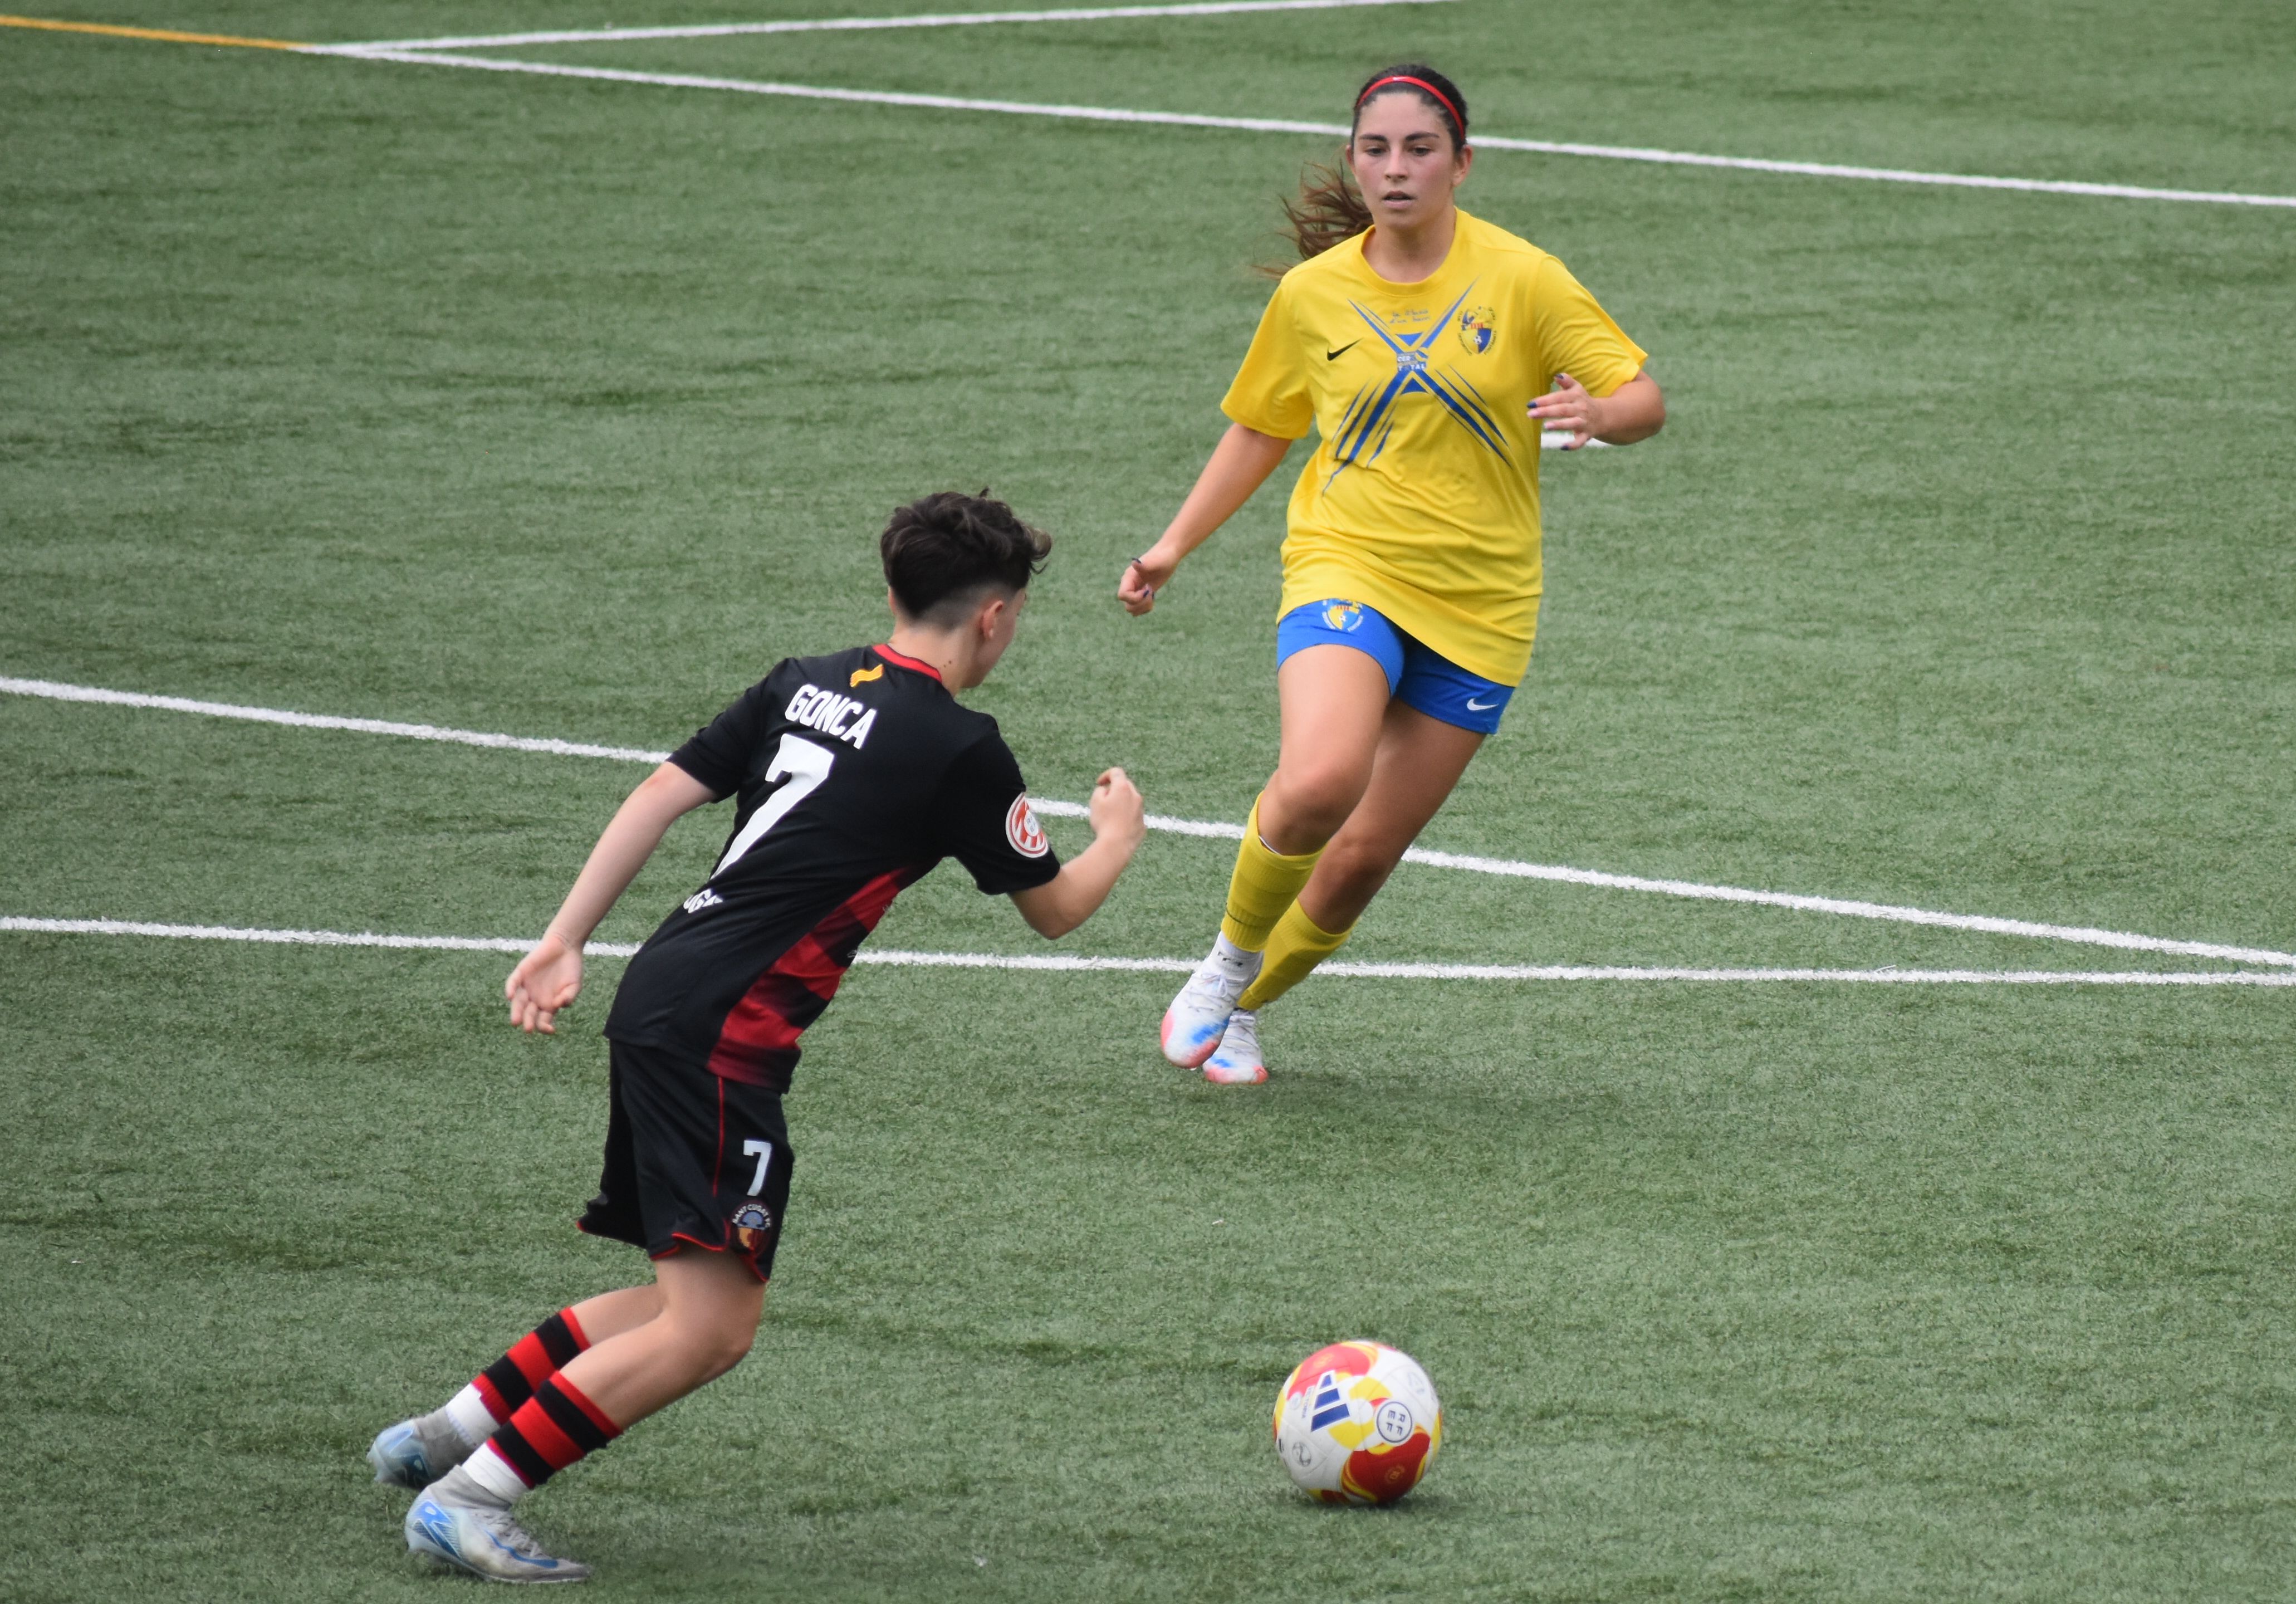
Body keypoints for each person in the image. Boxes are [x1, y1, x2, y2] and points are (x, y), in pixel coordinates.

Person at [368, 492, 1145, 1583]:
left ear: (890, 594)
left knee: (680, 1300)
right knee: (712, 1332)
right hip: (723, 1041)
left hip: (661, 992)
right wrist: (1117, 838)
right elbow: (1056, 907)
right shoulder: (960, 747)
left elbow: (659, 794)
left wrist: (562, 940)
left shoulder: (805, 681)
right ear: (997, 618)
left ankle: (443, 1435)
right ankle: (470, 1495)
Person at [1121, 63, 1665, 1085]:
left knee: (1362, 859)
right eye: (1376, 148)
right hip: (1346, 560)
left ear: (1462, 163)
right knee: (1320, 778)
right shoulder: (1314, 294)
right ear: (1353, 161)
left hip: (1484, 601)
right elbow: (1261, 426)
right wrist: (1172, 545)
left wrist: (1601, 415)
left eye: (1419, 149)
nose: (1395, 167)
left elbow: (1641, 396)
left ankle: (1243, 1009)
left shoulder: (1526, 279)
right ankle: (1227, 959)